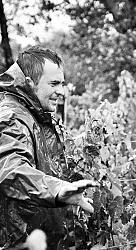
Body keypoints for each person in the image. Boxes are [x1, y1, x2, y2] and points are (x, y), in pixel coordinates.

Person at [0, 46, 98, 249]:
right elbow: (11, 169)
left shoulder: (33, 112)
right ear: (29, 83)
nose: (61, 91)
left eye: (62, 84)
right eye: (54, 84)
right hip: (18, 242)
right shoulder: (11, 116)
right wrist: (57, 189)